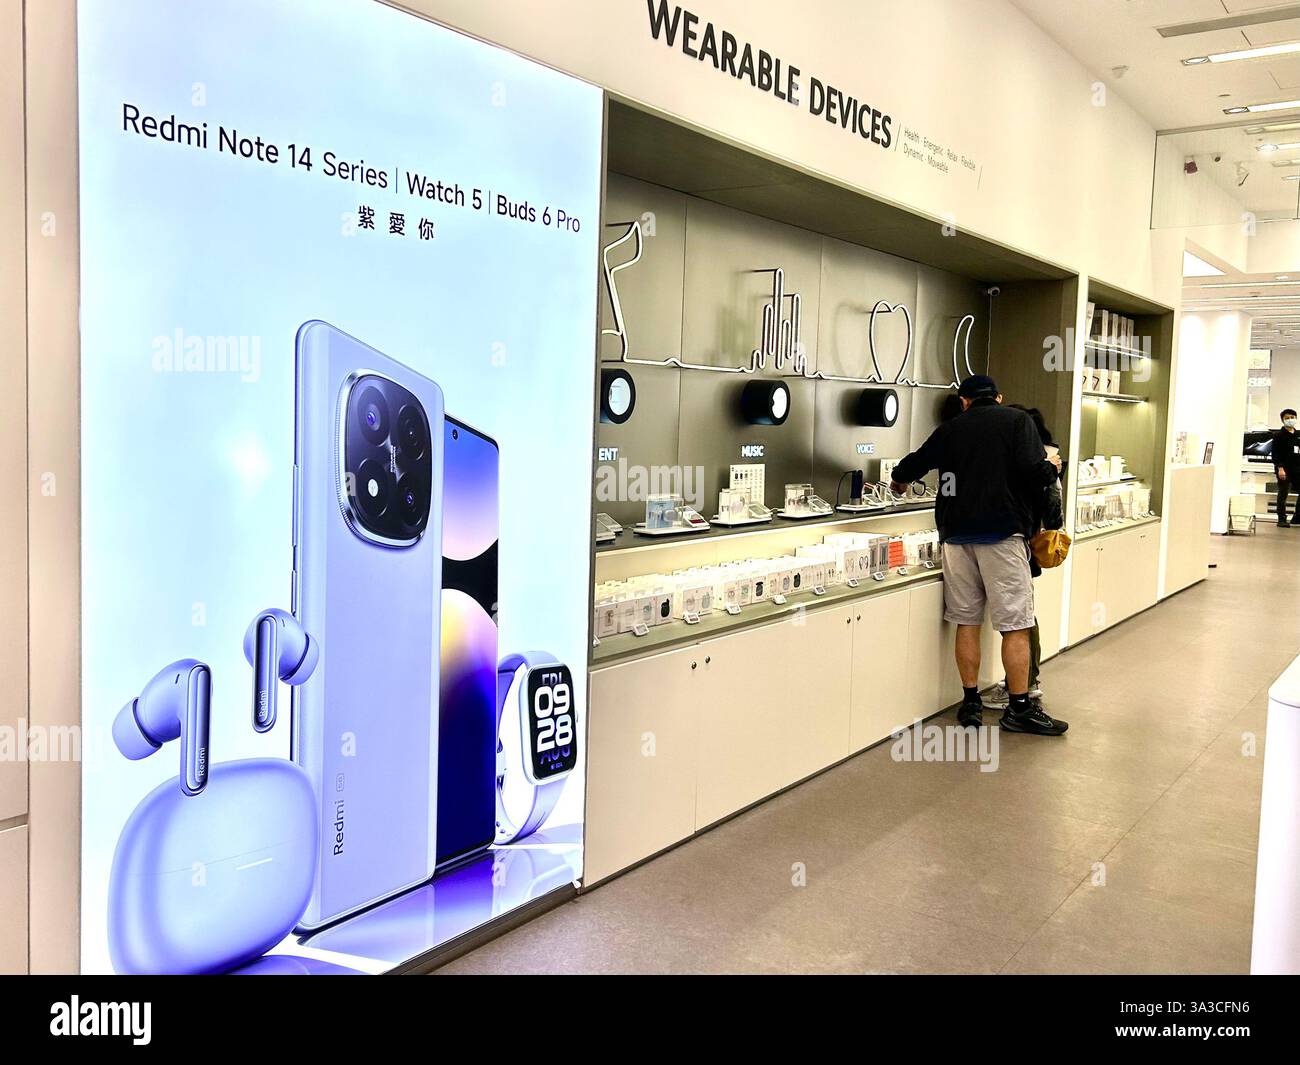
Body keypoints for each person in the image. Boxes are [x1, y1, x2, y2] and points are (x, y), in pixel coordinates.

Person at [890, 375, 1067, 736]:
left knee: (966, 619)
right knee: (1015, 623)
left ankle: (970, 702)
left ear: (964, 400)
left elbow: (908, 467)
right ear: (999, 398)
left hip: (955, 538)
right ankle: (1019, 708)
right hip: (1002, 534)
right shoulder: (1017, 422)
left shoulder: (951, 429)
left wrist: (898, 483)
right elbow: (1036, 475)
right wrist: (1054, 467)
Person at [984, 405, 1062, 708]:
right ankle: (1028, 681)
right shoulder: (1046, 456)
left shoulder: (1035, 458)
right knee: (1024, 613)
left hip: (1021, 541)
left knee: (1020, 617)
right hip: (1025, 540)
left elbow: (1049, 507)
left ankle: (1024, 684)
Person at [1274, 408, 1300, 527]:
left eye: (1292, 417)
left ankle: (1297, 517)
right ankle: (1281, 519)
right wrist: (1280, 468)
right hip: (1284, 469)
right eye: (1287, 418)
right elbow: (1276, 453)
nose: (1290, 420)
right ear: (1283, 420)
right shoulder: (1279, 435)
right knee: (1283, 493)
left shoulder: (1298, 434)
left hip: (1297, 469)